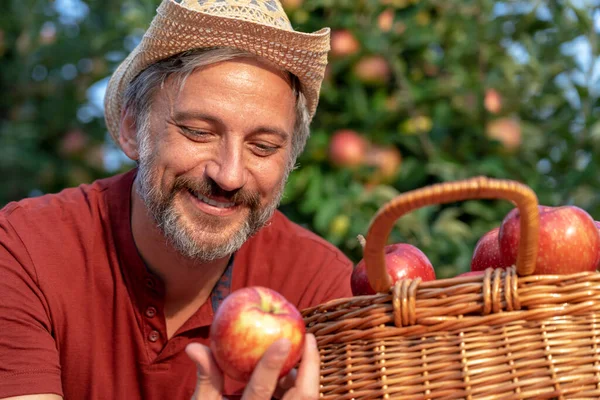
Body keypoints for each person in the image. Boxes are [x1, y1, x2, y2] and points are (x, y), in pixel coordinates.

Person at [0, 0, 353, 399]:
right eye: (199, 132)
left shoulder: (321, 290)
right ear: (133, 128)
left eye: (263, 146)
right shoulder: (26, 249)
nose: (230, 175)